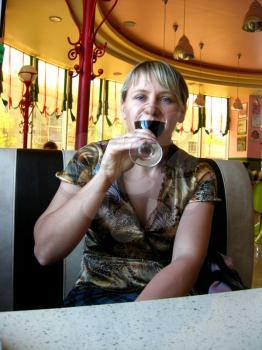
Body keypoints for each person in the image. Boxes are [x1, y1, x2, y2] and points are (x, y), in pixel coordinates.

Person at [33, 60, 225, 306]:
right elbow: (45, 252)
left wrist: (134, 321)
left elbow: (186, 260)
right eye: (140, 97)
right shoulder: (90, 159)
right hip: (94, 295)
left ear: (182, 112)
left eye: (166, 99)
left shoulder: (199, 174)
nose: (151, 108)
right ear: (123, 107)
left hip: (166, 301)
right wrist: (105, 176)